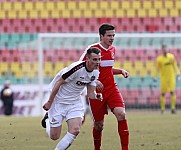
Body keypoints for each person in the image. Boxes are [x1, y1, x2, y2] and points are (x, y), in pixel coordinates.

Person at [41, 47, 103, 150]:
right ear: (87, 59)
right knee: (54, 136)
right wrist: (49, 102)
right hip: (59, 101)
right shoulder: (76, 68)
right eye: (95, 59)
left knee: (75, 130)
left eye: (99, 59)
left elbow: (91, 93)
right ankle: (48, 120)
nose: (98, 62)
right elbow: (59, 82)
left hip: (74, 102)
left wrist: (97, 96)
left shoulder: (95, 72)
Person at [79, 23, 129, 150]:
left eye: (113, 35)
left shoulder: (113, 50)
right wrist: (94, 82)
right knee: (99, 125)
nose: (112, 38)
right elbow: (80, 69)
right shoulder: (92, 49)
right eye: (109, 35)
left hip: (112, 88)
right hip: (95, 91)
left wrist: (120, 71)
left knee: (121, 114)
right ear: (101, 36)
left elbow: (107, 69)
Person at [156, 44, 180, 114]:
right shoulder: (159, 59)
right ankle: (162, 109)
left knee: (172, 92)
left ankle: (173, 108)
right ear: (162, 50)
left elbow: (175, 66)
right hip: (163, 78)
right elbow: (157, 69)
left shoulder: (171, 57)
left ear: (168, 49)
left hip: (171, 78)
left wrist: (178, 74)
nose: (165, 50)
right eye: (163, 49)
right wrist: (154, 77)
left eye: (166, 49)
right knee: (163, 94)